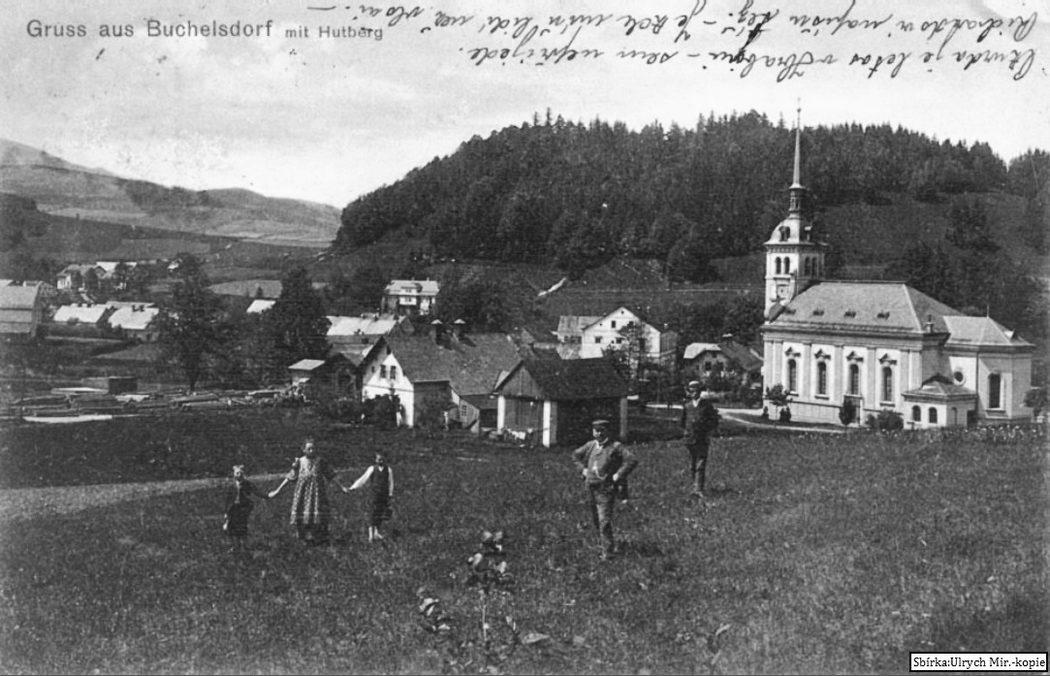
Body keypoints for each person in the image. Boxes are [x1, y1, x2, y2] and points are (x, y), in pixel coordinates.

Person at [572, 419, 638, 560]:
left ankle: (608, 553)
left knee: (604, 521)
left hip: (605, 489)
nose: (599, 434)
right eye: (596, 430)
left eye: (602, 430)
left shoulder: (615, 446)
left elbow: (632, 460)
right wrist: (582, 469)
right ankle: (603, 545)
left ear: (608, 431)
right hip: (590, 487)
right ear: (593, 432)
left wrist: (618, 475)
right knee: (596, 520)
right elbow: (575, 456)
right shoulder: (590, 445)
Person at [268, 437, 351, 545]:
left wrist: (342, 487)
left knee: (318, 515)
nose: (312, 451)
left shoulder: (320, 461)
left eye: (313, 448)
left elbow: (331, 476)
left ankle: (319, 537)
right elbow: (290, 477)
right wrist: (278, 490)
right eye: (309, 449)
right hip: (302, 495)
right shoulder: (299, 462)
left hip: (317, 495)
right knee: (302, 514)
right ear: (303, 450)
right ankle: (303, 538)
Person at [681, 380, 720, 498]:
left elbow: (714, 421)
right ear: (689, 392)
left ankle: (699, 489)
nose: (694, 393)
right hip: (690, 439)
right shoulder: (687, 406)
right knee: (692, 464)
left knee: (700, 463)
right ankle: (694, 486)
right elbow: (682, 422)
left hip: (702, 438)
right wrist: (686, 432)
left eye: (696, 391)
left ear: (699, 391)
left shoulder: (706, 406)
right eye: (691, 391)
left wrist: (708, 432)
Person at [346, 452, 394, 542]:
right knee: (372, 514)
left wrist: (390, 494)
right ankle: (370, 536)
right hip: (374, 495)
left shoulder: (388, 470)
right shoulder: (372, 469)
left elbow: (391, 482)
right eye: (379, 459)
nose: (381, 461)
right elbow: (363, 479)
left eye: (383, 459)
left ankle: (376, 533)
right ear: (375, 460)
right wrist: (353, 487)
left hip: (384, 495)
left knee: (380, 513)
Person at [223, 464, 270, 549]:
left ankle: (245, 545)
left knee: (242, 526)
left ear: (243, 474)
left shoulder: (247, 484)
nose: (239, 475)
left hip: (243, 508)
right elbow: (227, 499)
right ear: (234, 474)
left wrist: (267, 496)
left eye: (241, 473)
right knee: (231, 527)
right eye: (237, 473)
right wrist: (226, 512)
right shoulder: (231, 485)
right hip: (233, 508)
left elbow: (257, 492)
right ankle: (235, 545)